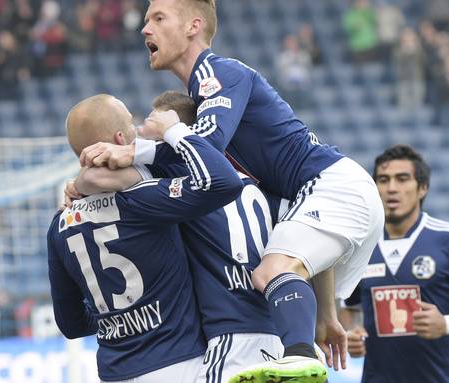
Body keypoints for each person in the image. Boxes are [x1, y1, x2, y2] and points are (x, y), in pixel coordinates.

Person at [79, 1, 384, 382]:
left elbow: (207, 144)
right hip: (320, 196)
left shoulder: (217, 71)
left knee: (271, 270)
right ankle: (300, 352)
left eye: (158, 18)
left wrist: (151, 140)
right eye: (145, 21)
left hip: (333, 185)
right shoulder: (210, 99)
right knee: (282, 266)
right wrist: (325, 314)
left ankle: (300, 357)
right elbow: (294, 226)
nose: (145, 29)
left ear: (193, 26)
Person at [68, 90, 287, 383]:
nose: (141, 134)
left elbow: (94, 178)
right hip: (270, 326)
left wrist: (78, 184)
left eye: (148, 125)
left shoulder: (169, 174)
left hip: (223, 336)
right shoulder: (249, 180)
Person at [340, 144, 449, 383]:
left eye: (402, 179)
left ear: (422, 188)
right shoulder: (361, 245)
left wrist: (448, 323)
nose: (392, 188)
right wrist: (351, 333)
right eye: (383, 180)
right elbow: (349, 307)